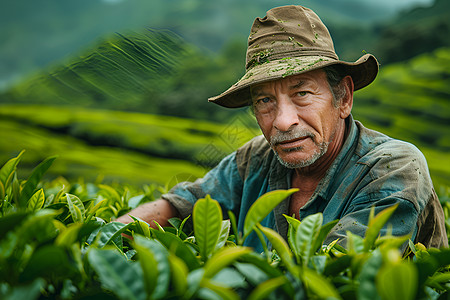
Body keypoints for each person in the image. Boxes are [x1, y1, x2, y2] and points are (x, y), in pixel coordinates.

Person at [117, 5, 448, 252]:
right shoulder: (256, 160)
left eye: (302, 93)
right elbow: (180, 205)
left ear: (343, 97)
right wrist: (98, 240)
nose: (282, 121)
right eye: (264, 101)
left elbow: (332, 276)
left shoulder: (392, 167)